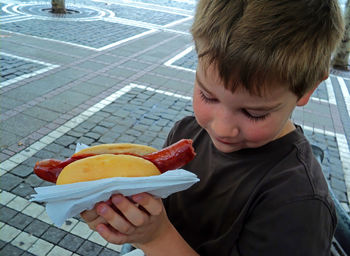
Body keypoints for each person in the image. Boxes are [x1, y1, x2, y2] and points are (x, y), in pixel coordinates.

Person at [80, 0, 345, 255]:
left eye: (254, 113)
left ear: (308, 89)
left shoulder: (299, 204)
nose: (221, 128)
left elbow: (157, 235)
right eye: (208, 96)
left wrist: (155, 238)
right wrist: (127, 217)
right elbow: (159, 212)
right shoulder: (186, 134)